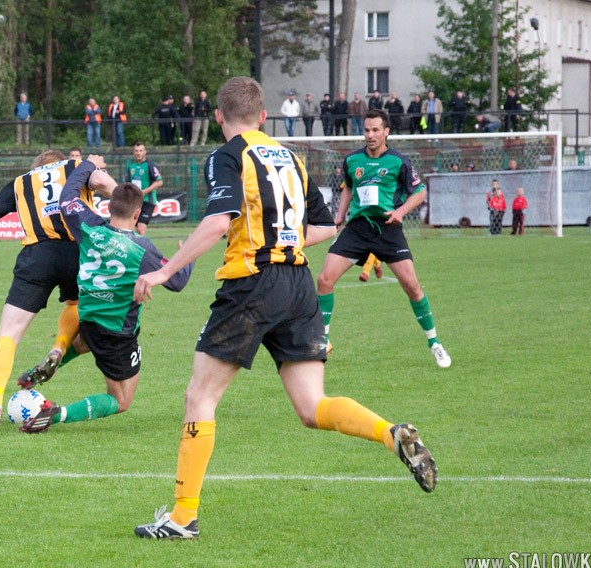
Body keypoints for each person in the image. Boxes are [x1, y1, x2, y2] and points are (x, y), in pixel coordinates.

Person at [132, 76, 437, 541]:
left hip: (253, 284)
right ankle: (388, 433)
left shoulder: (227, 155)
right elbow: (323, 226)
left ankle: (182, 516)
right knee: (312, 407)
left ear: (219, 117)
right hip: (297, 285)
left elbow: (217, 220)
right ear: (261, 116)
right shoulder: (291, 158)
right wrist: (284, 240)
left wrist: (162, 269)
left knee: (200, 397)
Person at [18, 157, 194, 432]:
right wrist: (187, 256)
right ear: (137, 215)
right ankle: (56, 413)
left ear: (107, 206)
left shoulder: (89, 225)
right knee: (121, 400)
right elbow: (178, 280)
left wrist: (87, 166)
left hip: (87, 320)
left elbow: (67, 198)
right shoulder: (141, 248)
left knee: (84, 343)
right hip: (117, 334)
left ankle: (48, 363)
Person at [0, 150, 109, 436]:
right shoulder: (77, 168)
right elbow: (107, 185)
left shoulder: (21, 183)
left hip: (37, 256)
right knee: (74, 302)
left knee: (8, 334)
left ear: (36, 167)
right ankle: (59, 345)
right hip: (77, 251)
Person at [316, 108, 452, 368]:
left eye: (376, 130)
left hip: (388, 229)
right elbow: (348, 188)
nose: (370, 135)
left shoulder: (399, 162)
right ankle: (322, 340)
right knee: (324, 279)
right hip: (357, 228)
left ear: (386, 132)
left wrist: (400, 212)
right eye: (366, 130)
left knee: (412, 285)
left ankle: (434, 342)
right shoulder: (352, 160)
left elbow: (419, 193)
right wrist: (340, 215)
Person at [126, 141, 163, 235]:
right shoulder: (131, 166)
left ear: (145, 152)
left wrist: (144, 191)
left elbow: (159, 182)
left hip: (147, 201)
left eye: (140, 150)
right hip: (134, 202)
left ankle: (143, 249)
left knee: (140, 229)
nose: (138, 153)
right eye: (136, 151)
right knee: (130, 229)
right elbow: (127, 184)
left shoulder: (150, 165)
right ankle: (135, 248)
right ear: (133, 152)